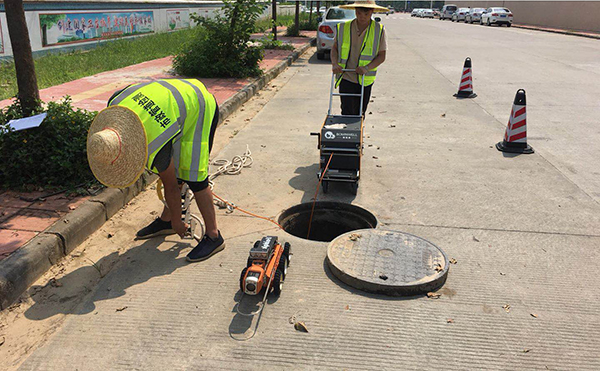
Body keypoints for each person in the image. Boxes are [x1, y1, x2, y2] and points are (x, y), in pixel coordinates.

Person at [87, 78, 224, 262]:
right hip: (173, 98)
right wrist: (174, 219)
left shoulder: (153, 143)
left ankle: (214, 236)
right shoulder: (115, 105)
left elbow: (171, 186)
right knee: (173, 169)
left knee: (195, 177)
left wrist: (179, 222)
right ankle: (167, 221)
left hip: (198, 105)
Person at [331, 0, 388, 116]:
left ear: (372, 12)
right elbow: (334, 49)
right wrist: (335, 64)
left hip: (365, 78)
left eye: (366, 14)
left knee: (360, 111)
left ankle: (358, 132)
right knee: (347, 111)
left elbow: (382, 56)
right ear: (355, 12)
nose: (362, 17)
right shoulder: (343, 28)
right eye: (359, 13)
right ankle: (348, 132)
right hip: (346, 75)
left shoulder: (379, 30)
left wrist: (367, 68)